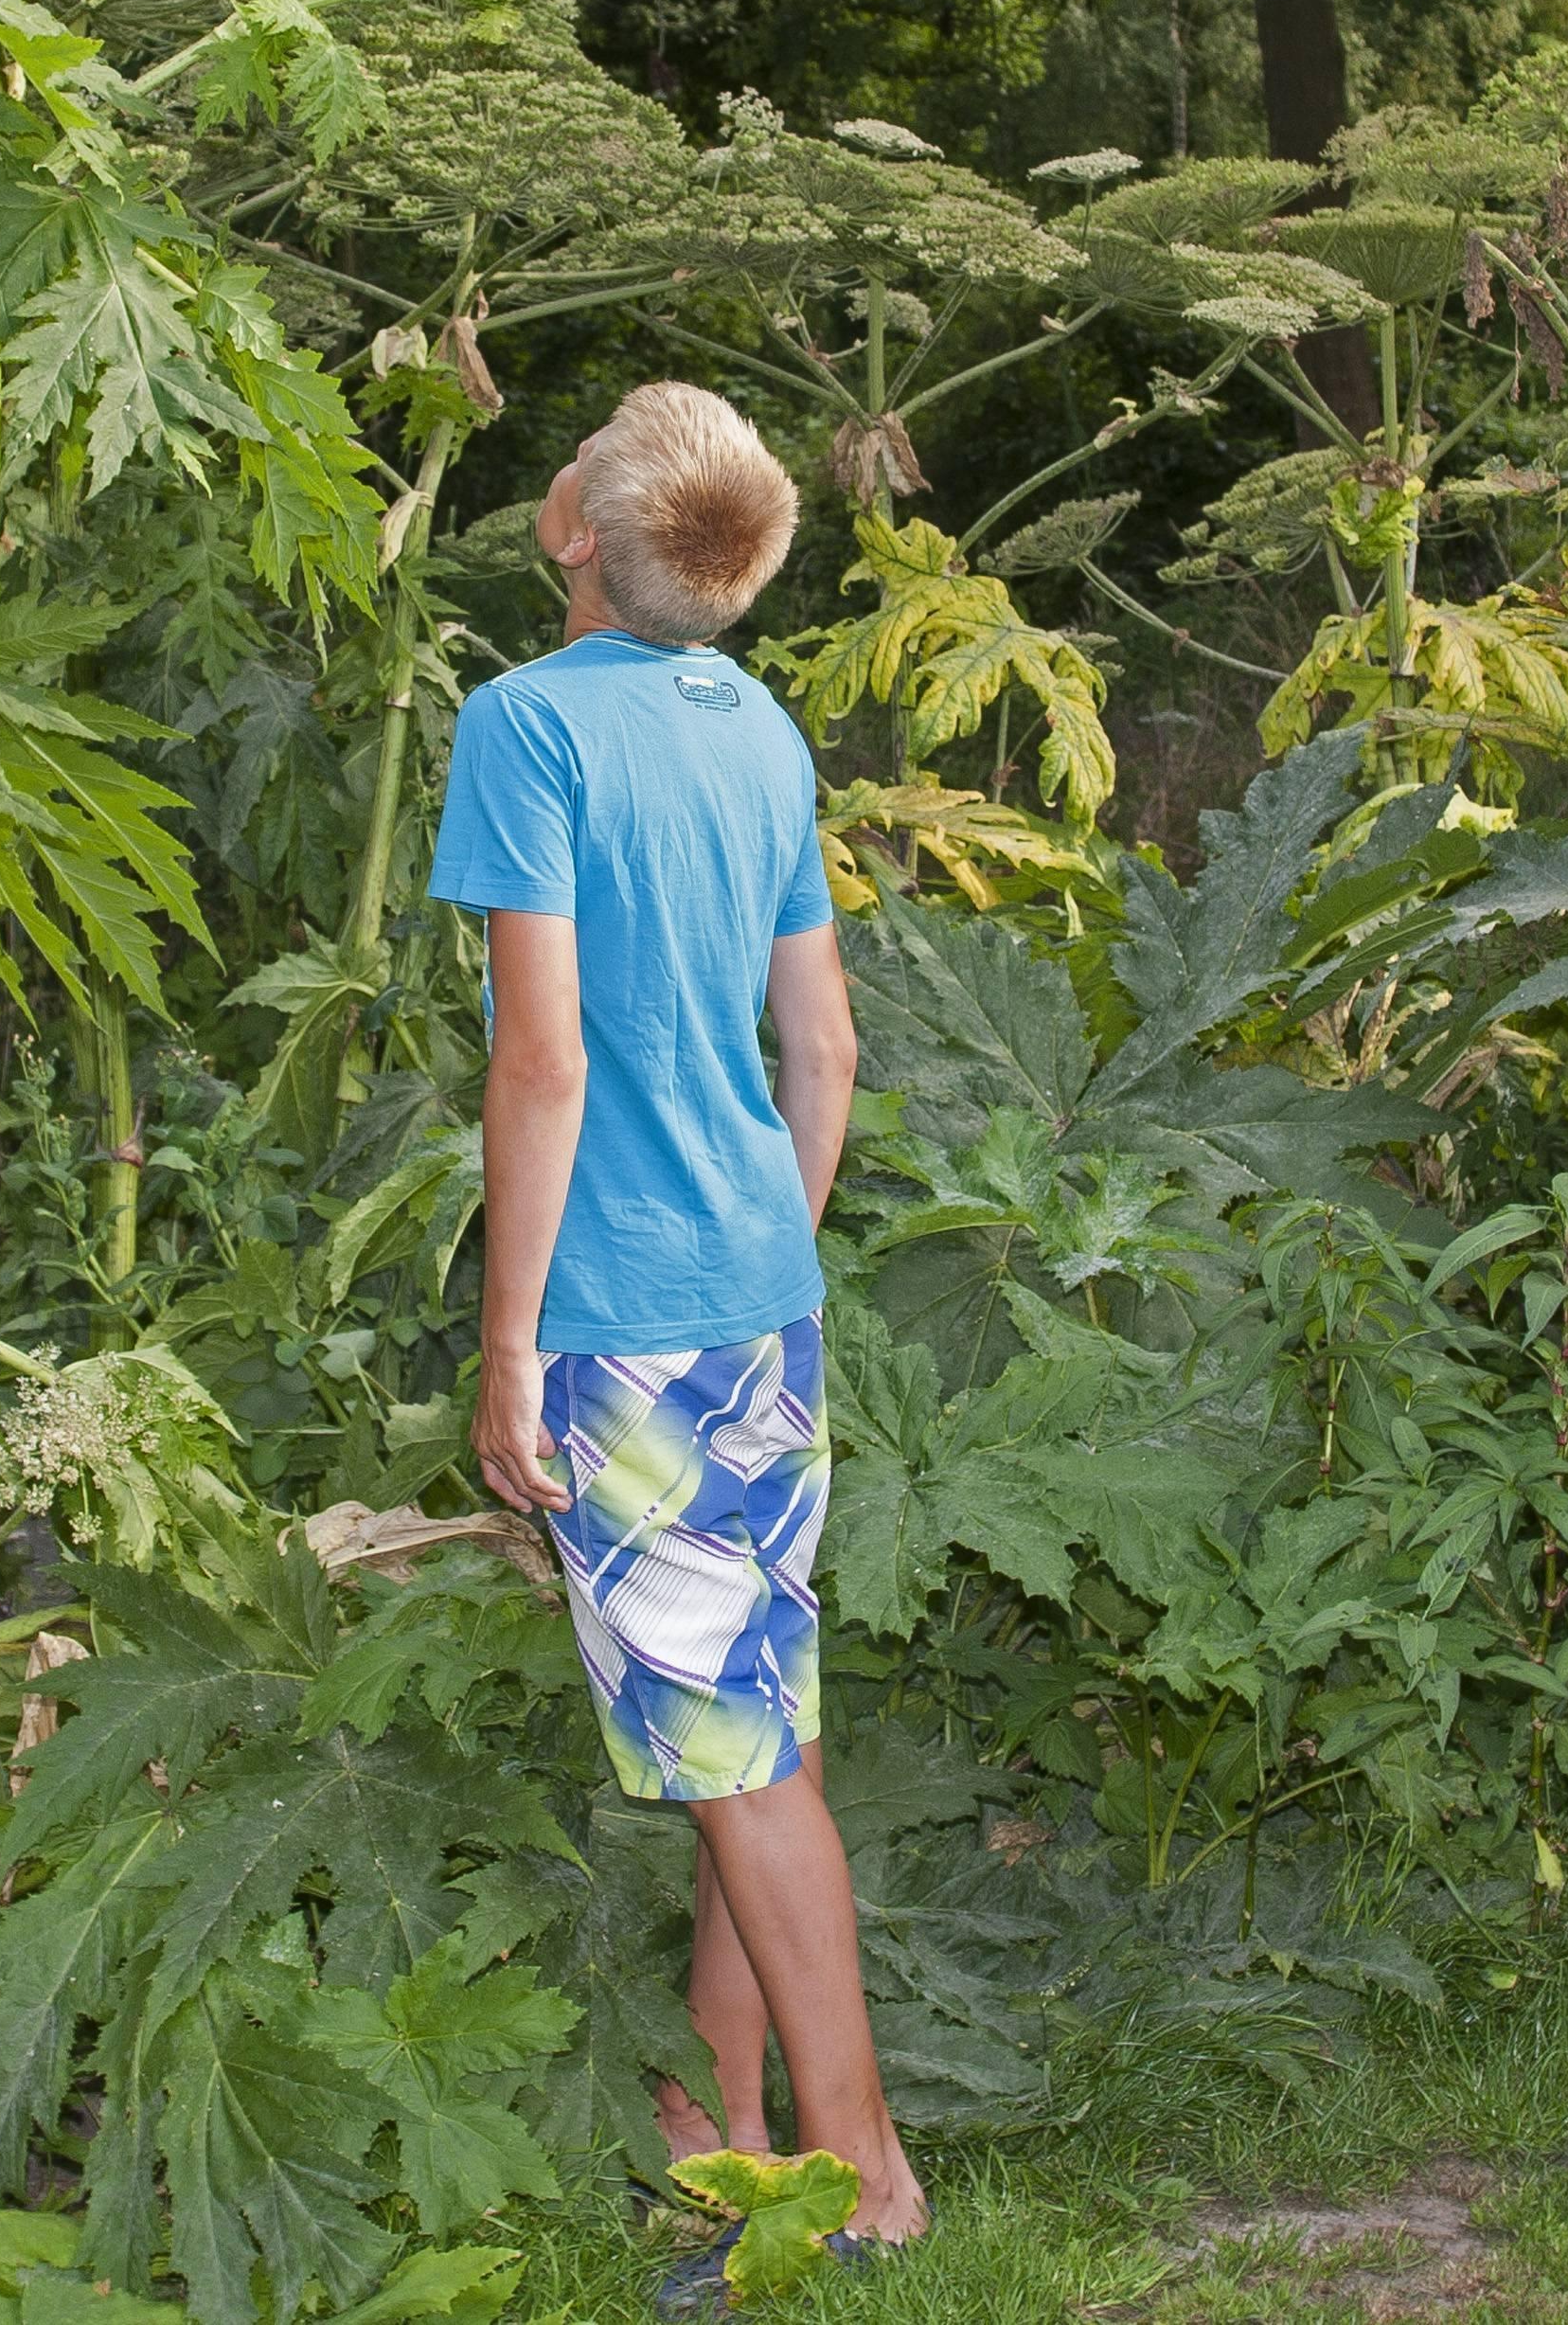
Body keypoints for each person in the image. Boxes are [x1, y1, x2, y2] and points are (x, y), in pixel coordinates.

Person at [432, 380, 931, 2296]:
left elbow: (541, 1057)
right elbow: (828, 1049)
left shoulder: (526, 726)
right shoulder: (761, 728)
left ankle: (864, 2163)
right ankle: (715, 2132)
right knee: (755, 1722)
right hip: (759, 1295)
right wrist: (763, 1237)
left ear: (574, 527)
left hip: (621, 1316)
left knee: (736, 1758)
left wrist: (511, 1341)